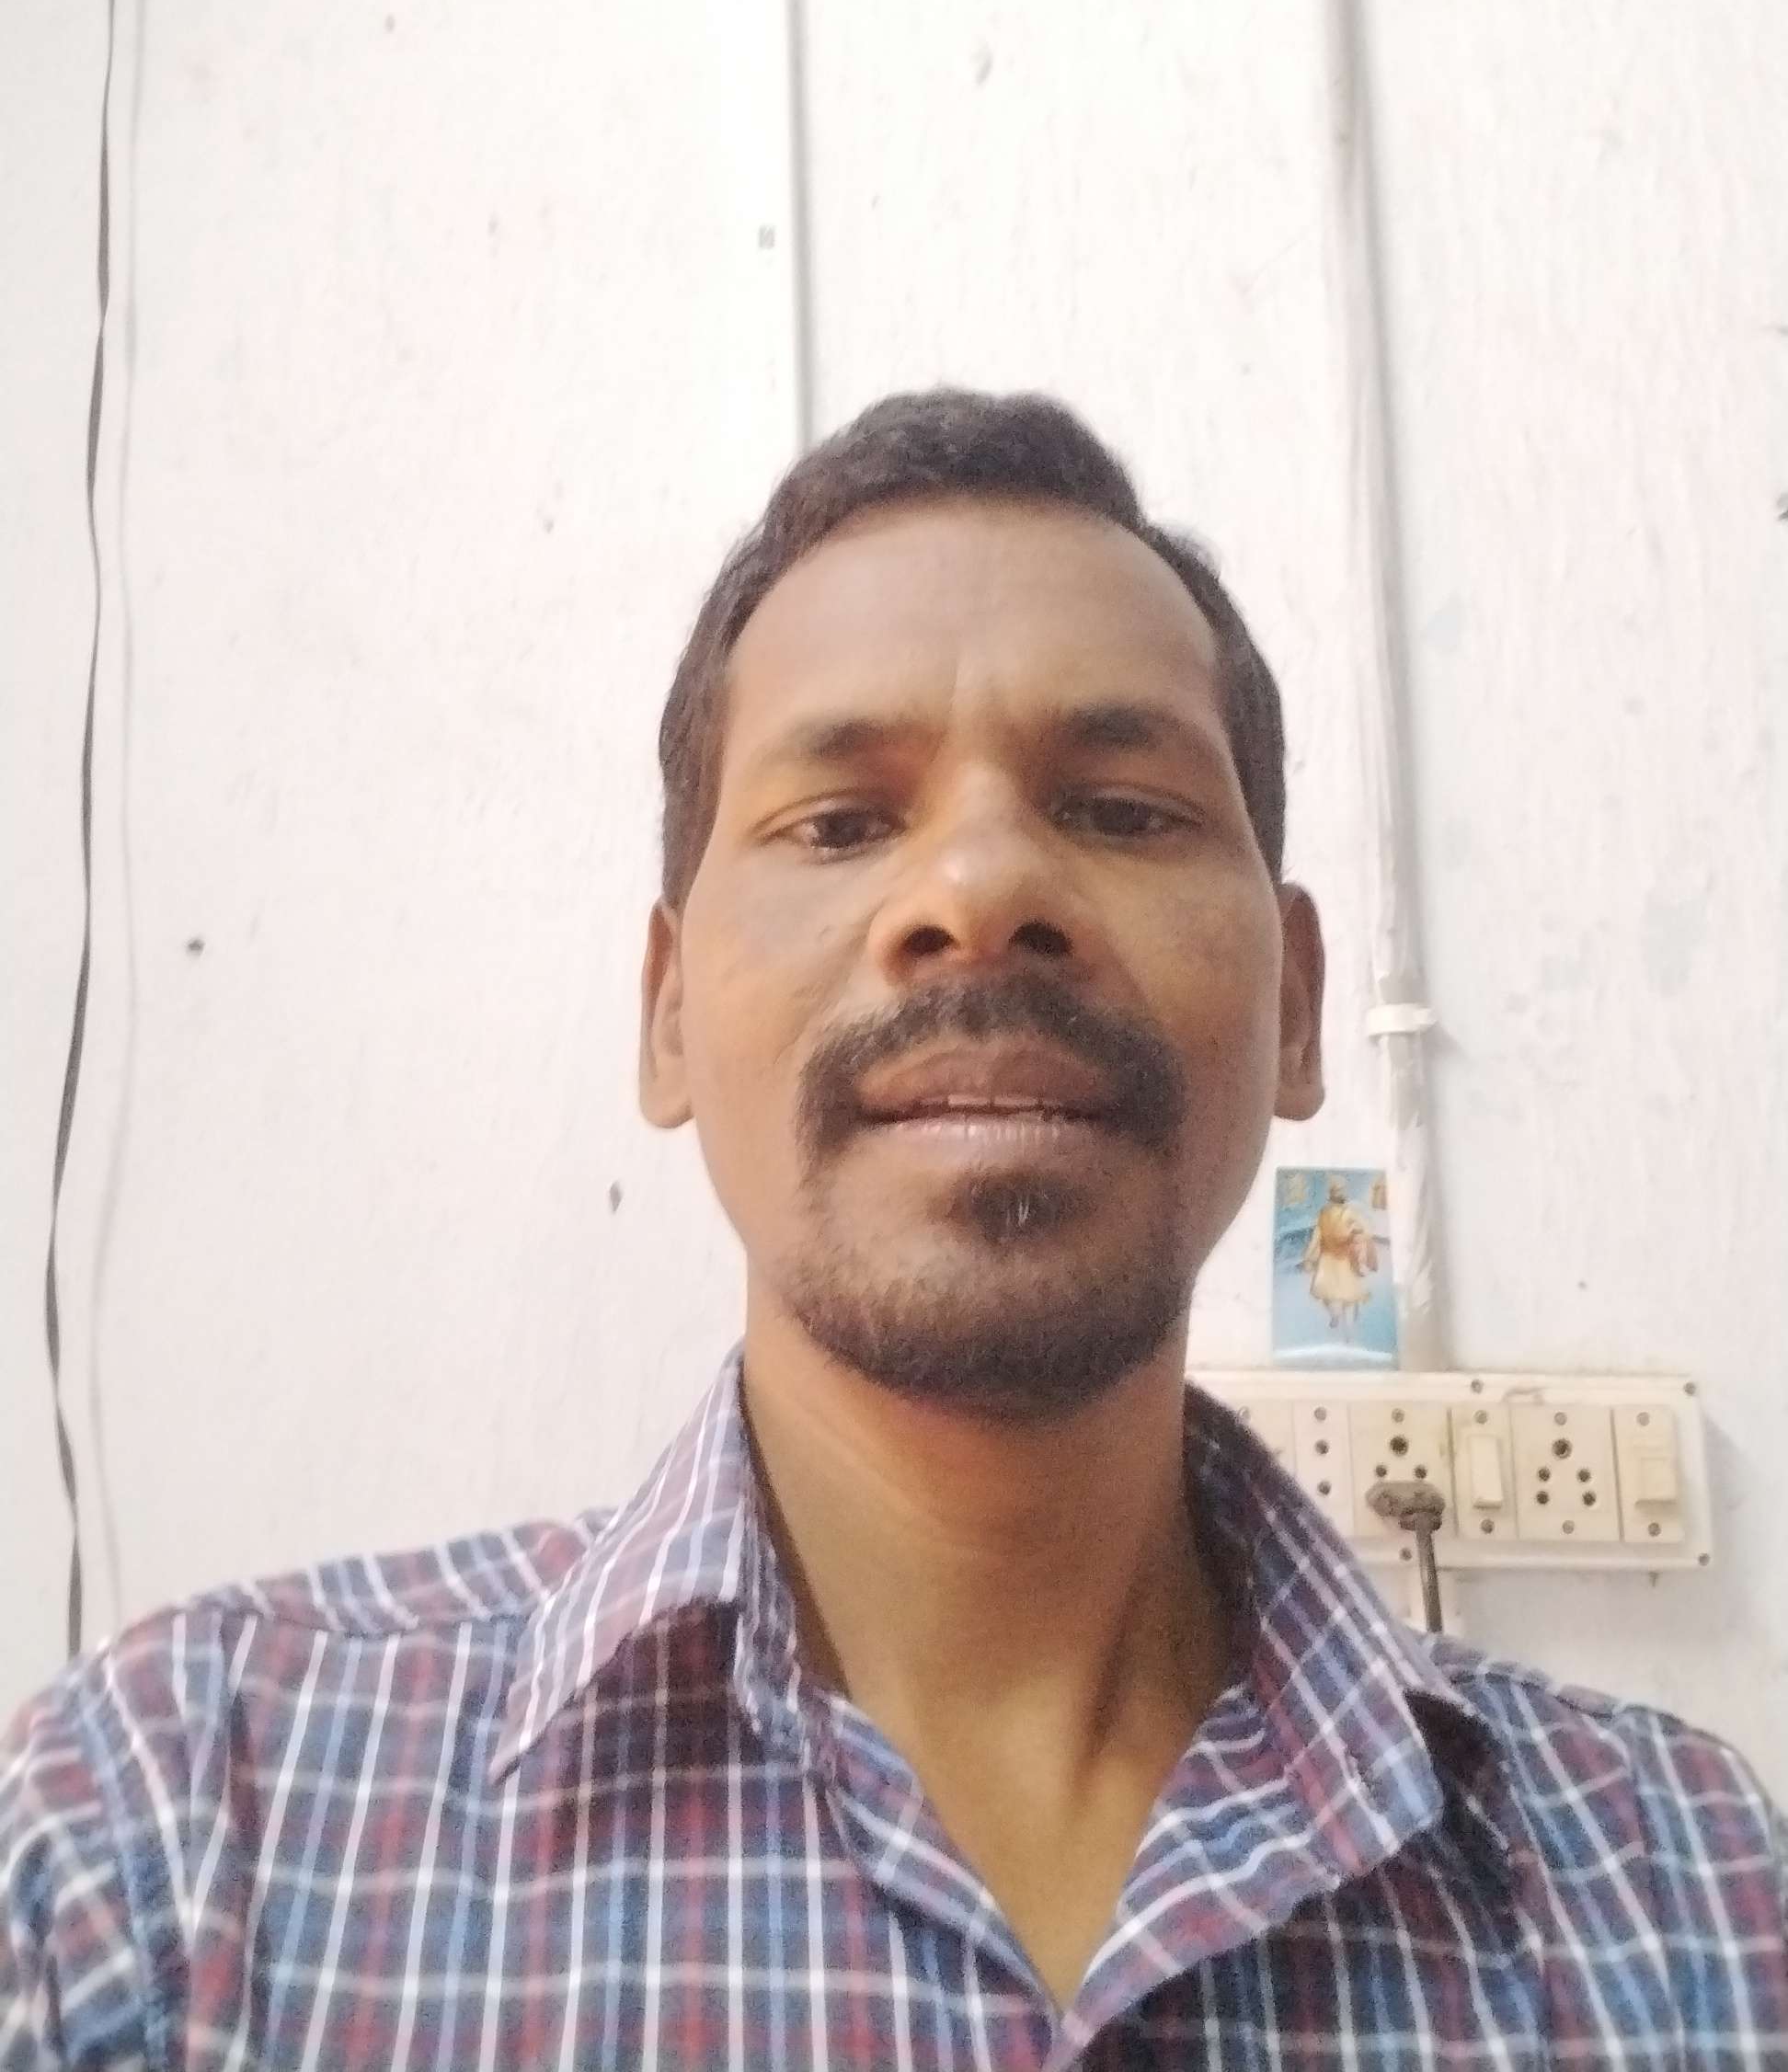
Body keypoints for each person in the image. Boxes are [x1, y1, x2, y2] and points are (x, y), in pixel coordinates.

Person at [3, 389, 1782, 2066]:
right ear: (667, 1014)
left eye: (1121, 810)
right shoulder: (180, 1834)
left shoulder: (1697, 1896)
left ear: (1298, 1004)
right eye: (841, 819)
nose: (978, 889)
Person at [1303, 1171, 1377, 1333]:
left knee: (1342, 1295)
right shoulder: (1331, 1213)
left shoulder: (1343, 1212)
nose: (1340, 1193)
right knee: (1333, 1295)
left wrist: (1356, 1234)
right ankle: (1338, 1319)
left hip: (1341, 1258)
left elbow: (1367, 1229)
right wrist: (1308, 1257)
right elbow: (1317, 1236)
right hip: (1331, 1259)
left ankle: (1344, 1322)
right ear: (1333, 1193)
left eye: (1341, 1190)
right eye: (1338, 1190)